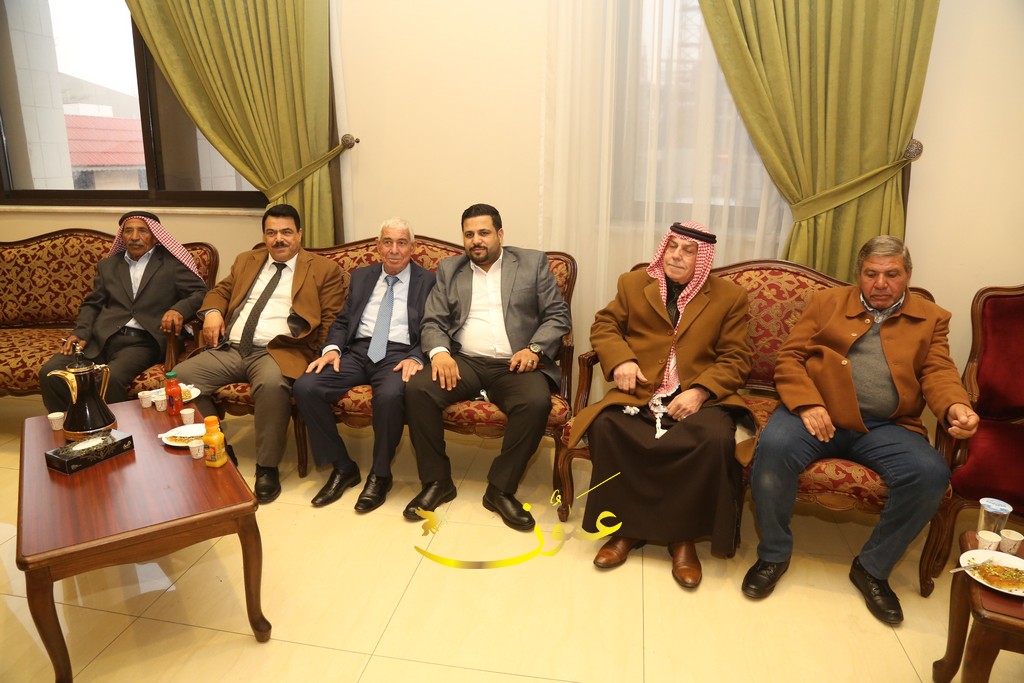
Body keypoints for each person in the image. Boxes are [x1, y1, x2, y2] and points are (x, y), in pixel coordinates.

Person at [742, 235, 979, 623]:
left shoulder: (932, 317)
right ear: (859, 274)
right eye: (871, 274)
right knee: (774, 447)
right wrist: (807, 402)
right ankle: (773, 554)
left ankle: (872, 568)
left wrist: (957, 405)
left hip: (886, 426)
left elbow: (938, 371)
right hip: (817, 415)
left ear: (908, 275)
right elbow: (790, 359)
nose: (880, 283)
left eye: (892, 274)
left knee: (930, 473)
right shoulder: (826, 303)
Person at [566, 221, 751, 588]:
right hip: (642, 391)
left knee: (712, 439)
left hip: (698, 395)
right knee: (608, 427)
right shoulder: (634, 283)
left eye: (688, 250)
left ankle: (683, 539)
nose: (676, 256)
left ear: (703, 258)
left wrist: (701, 391)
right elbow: (604, 325)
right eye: (672, 247)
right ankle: (624, 530)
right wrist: (621, 360)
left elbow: (736, 358)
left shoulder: (729, 297)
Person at [403, 203, 571, 531]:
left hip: (515, 363)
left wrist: (534, 349)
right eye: (469, 234)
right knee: (419, 389)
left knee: (535, 403)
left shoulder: (532, 263)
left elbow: (558, 315)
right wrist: (439, 352)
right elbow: (433, 320)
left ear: (500, 234)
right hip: (464, 360)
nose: (476, 240)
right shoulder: (450, 269)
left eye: (483, 233)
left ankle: (500, 489)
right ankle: (437, 482)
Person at [174, 204, 344, 504]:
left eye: (286, 232)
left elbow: (332, 317)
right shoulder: (246, 260)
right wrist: (213, 312)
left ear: (300, 234)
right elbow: (220, 292)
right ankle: (218, 443)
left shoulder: (323, 269)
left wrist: (317, 353)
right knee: (182, 378)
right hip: (232, 347)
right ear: (264, 235)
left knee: (271, 385)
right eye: (271, 233)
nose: (279, 239)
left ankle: (267, 468)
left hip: (278, 351)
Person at [293, 218, 435, 511]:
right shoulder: (361, 276)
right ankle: (343, 467)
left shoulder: (429, 281)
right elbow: (343, 320)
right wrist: (332, 349)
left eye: (401, 243)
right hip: (357, 351)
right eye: (388, 242)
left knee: (390, 396)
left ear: (413, 247)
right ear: (377, 246)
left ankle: (380, 475)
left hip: (398, 354)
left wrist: (416, 356)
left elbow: (435, 325)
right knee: (306, 386)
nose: (394, 250)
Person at [39, 211, 207, 411]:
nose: (134, 237)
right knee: (51, 372)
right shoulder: (108, 265)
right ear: (122, 236)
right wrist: (81, 332)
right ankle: (73, 423)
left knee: (111, 378)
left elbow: (200, 292)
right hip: (101, 338)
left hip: (143, 342)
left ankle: (114, 428)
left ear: (155, 236)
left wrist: (178, 310)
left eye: (142, 230)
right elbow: (93, 303)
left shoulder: (171, 265)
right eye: (128, 231)